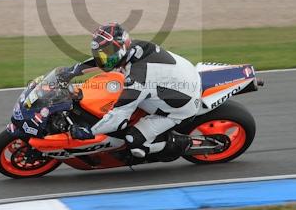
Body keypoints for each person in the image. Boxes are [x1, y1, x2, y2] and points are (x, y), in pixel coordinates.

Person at [58, 22, 202, 160]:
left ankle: (181, 143)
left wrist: (90, 131)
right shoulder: (134, 48)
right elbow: (104, 60)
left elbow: (118, 120)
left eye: (106, 54)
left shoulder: (136, 79)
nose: (102, 58)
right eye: (100, 54)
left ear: (120, 48)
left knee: (133, 140)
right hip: (181, 77)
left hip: (180, 108)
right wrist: (73, 71)